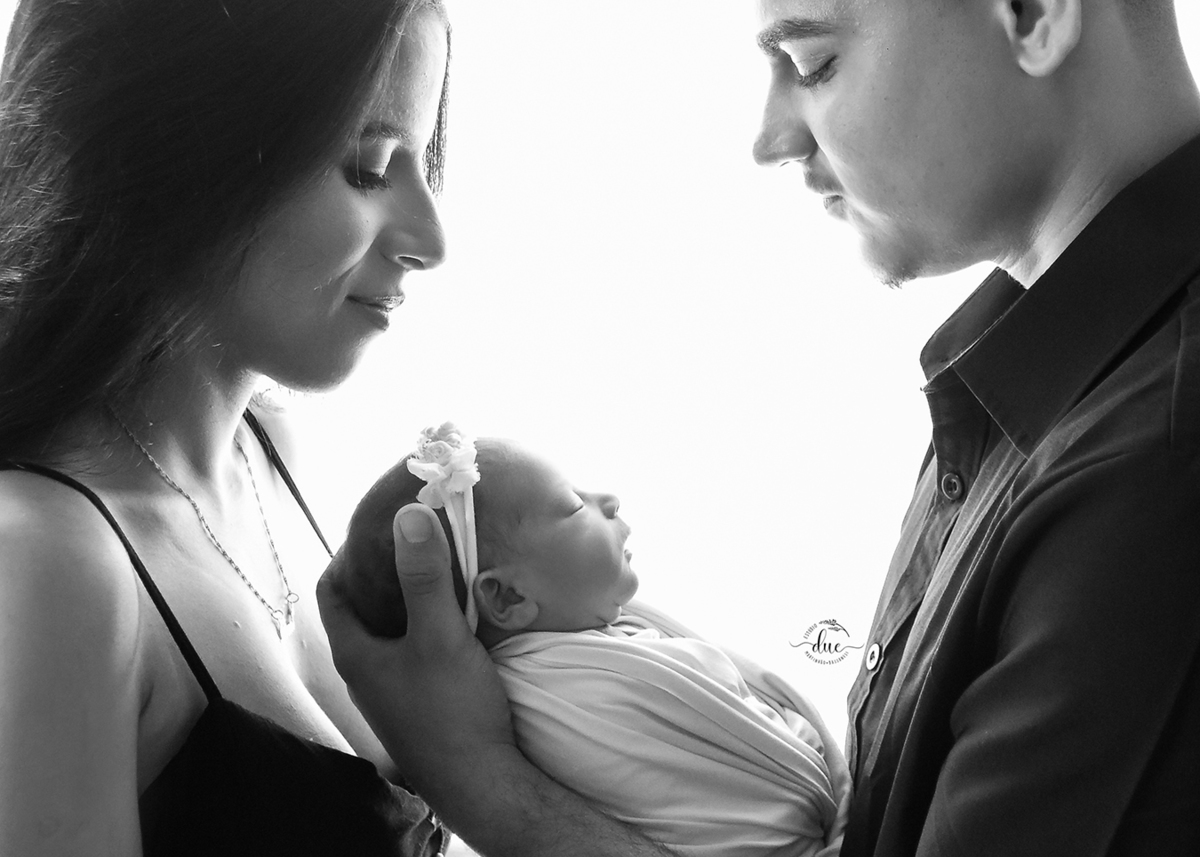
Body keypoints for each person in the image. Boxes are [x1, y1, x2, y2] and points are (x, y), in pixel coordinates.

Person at [318, 0, 1200, 854]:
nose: (770, 139)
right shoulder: (1041, 381)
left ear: (1034, 12)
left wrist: (479, 781)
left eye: (815, 63)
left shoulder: (1151, 463)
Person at [0, 0, 456, 853]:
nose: (430, 240)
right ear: (174, 151)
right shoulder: (51, 559)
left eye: (422, 161)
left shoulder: (270, 455)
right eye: (369, 167)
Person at [326, 425, 851, 857]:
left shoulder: (590, 642)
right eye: (574, 505)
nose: (609, 499)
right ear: (507, 597)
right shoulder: (555, 692)